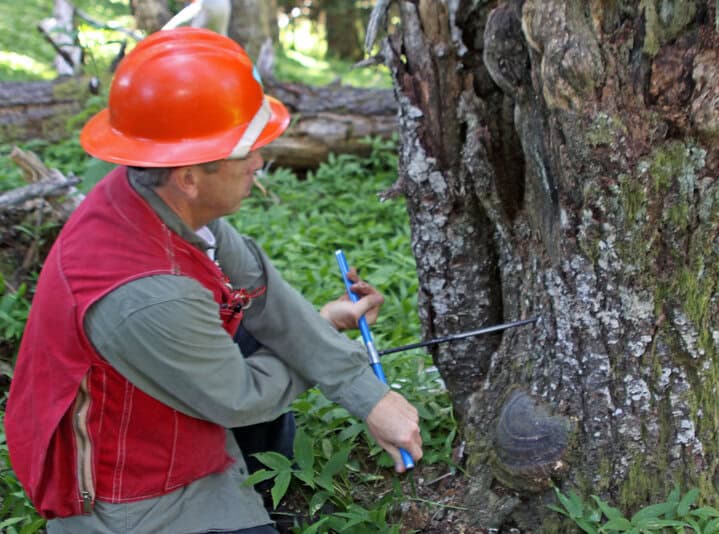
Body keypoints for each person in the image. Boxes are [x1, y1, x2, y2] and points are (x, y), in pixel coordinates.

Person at [4, 27, 422, 533]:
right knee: (259, 370)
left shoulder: (154, 196)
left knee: (254, 328)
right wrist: (323, 343)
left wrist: (367, 393)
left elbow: (260, 286)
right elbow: (241, 397)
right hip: (132, 494)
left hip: (169, 408)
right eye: (244, 151)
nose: (259, 163)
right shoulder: (148, 295)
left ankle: (265, 486)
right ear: (189, 177)